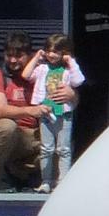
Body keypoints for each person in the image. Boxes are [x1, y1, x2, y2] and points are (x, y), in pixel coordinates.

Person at [0, 32, 45, 193]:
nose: (13, 60)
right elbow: (0, 110)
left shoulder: (41, 75)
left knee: (55, 143)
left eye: (19, 56)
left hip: (27, 135)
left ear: (29, 55)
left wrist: (72, 94)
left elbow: (64, 96)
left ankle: (18, 174)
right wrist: (31, 110)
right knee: (7, 127)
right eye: (9, 55)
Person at [27, 32, 85, 192]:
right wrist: (36, 57)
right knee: (46, 148)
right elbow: (26, 75)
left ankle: (62, 182)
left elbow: (79, 81)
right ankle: (46, 181)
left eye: (57, 51)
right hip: (46, 112)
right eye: (49, 50)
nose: (52, 55)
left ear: (65, 52)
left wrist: (70, 61)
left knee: (63, 148)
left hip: (64, 113)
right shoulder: (42, 69)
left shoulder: (67, 70)